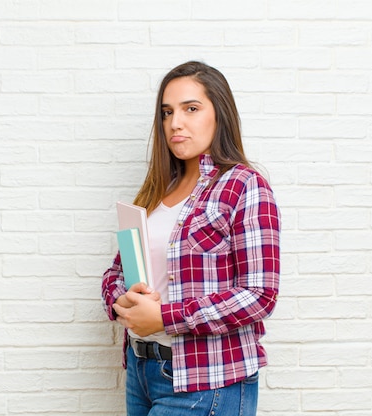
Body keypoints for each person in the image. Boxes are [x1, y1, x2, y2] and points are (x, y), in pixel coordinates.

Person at [101, 61, 280, 416]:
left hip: (207, 381)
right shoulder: (154, 191)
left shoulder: (243, 185)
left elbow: (260, 295)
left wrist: (166, 318)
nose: (175, 123)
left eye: (191, 109)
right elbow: (116, 272)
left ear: (220, 115)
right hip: (142, 372)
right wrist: (120, 300)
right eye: (167, 112)